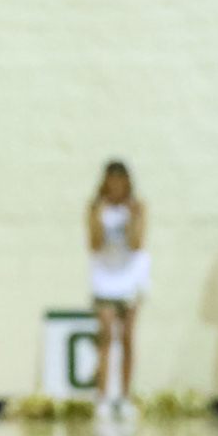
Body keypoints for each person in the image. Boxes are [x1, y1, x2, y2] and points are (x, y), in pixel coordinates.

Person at [88, 161, 147, 421]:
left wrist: (133, 216)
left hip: (130, 276)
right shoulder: (95, 207)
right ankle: (102, 395)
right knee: (105, 334)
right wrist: (98, 215)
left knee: (128, 337)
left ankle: (124, 397)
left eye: (120, 180)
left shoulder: (137, 206)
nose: (115, 185)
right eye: (111, 180)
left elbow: (136, 244)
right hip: (105, 276)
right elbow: (94, 243)